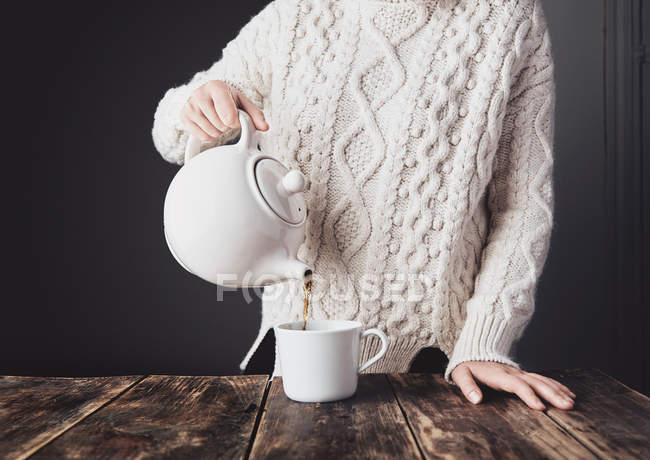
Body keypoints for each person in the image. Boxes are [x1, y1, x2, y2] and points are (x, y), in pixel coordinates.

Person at [152, 0, 575, 411]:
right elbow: (171, 138)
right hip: (293, 361)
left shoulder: (509, 17)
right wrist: (193, 107)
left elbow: (523, 205)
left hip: (436, 369)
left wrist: (485, 342)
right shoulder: (296, 14)